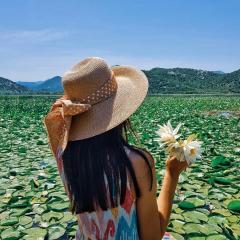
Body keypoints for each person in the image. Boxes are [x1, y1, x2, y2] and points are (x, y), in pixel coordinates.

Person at [43, 57, 188, 240]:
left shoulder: (62, 153)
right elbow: (152, 237)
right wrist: (171, 173)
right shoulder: (136, 162)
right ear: (118, 107)